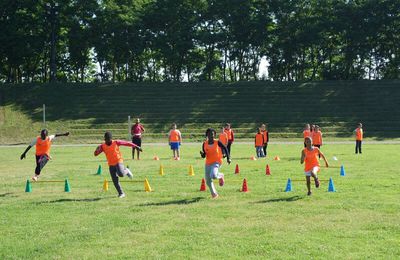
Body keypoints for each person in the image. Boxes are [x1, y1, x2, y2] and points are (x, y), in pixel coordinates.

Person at [94, 131, 142, 198]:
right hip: (111, 164)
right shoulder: (102, 146)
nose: (107, 141)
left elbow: (127, 143)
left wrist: (136, 146)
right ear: (104, 139)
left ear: (111, 139)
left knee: (121, 174)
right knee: (115, 180)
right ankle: (121, 193)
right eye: (106, 140)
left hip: (118, 161)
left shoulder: (116, 142)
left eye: (108, 139)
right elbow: (96, 154)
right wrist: (96, 150)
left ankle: (127, 170)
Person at [200, 128, 231, 198]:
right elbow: (205, 154)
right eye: (210, 134)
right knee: (208, 181)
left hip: (217, 162)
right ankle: (214, 194)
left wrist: (228, 158)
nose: (212, 135)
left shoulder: (217, 142)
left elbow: (225, 148)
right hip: (208, 163)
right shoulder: (204, 144)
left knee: (213, 175)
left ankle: (221, 175)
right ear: (207, 135)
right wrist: (202, 155)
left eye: (213, 134)